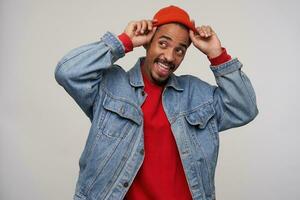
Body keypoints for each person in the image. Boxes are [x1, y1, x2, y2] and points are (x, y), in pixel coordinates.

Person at [55, 5, 258, 200]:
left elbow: (245, 109)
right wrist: (124, 41)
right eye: (163, 43)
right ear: (147, 42)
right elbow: (68, 72)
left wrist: (217, 54)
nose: (169, 56)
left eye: (180, 50)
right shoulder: (110, 86)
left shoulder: (197, 94)